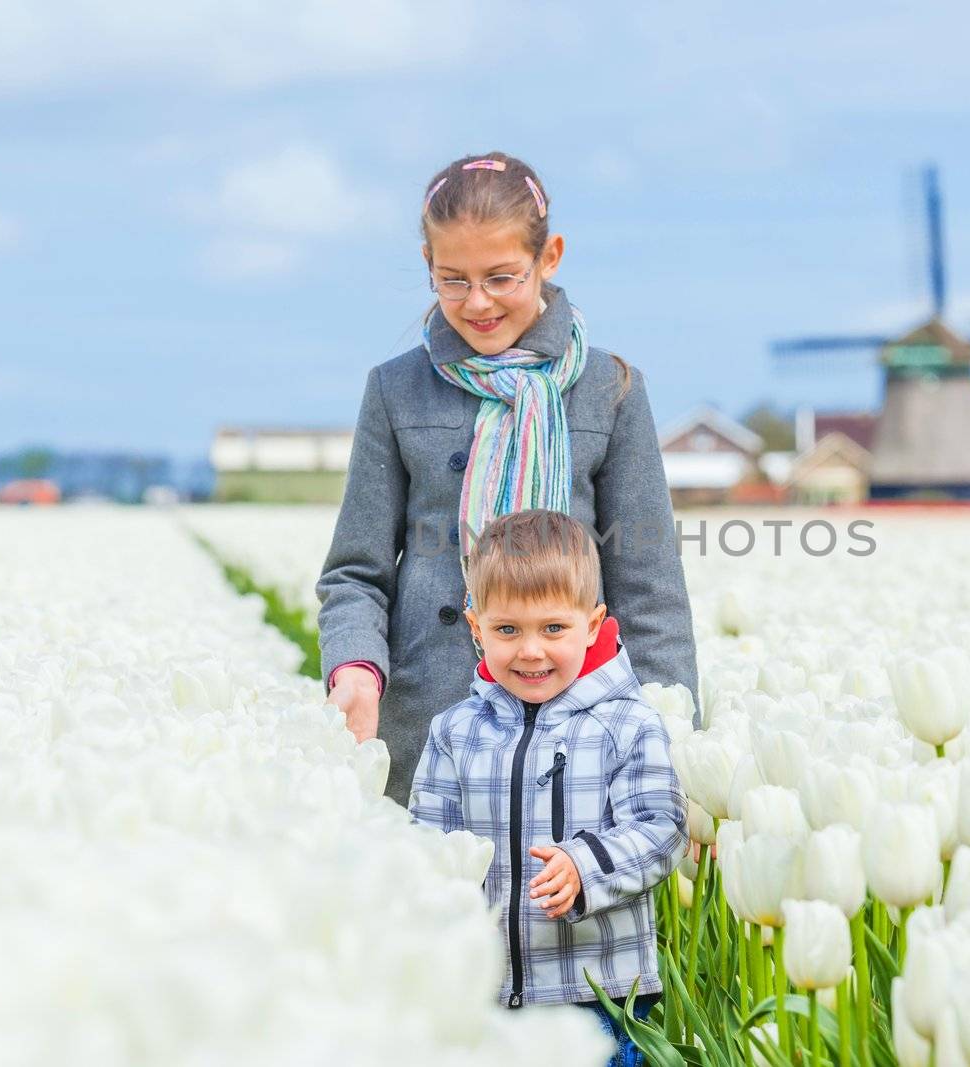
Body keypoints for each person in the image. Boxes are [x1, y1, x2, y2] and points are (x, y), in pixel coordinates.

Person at [316, 150, 699, 806]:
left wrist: (677, 751)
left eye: (501, 276)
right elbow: (356, 573)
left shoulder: (609, 389)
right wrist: (354, 666)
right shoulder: (397, 389)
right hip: (428, 724)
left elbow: (650, 587)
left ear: (549, 257)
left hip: (581, 728)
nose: (478, 301)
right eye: (453, 279)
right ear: (427, 268)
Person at [409, 510, 687, 1062]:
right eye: (507, 630)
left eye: (553, 628)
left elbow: (663, 827)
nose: (531, 650)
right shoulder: (454, 731)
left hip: (601, 996)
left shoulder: (628, 724)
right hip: (483, 989)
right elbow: (425, 840)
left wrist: (587, 865)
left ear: (593, 623)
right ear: (475, 627)